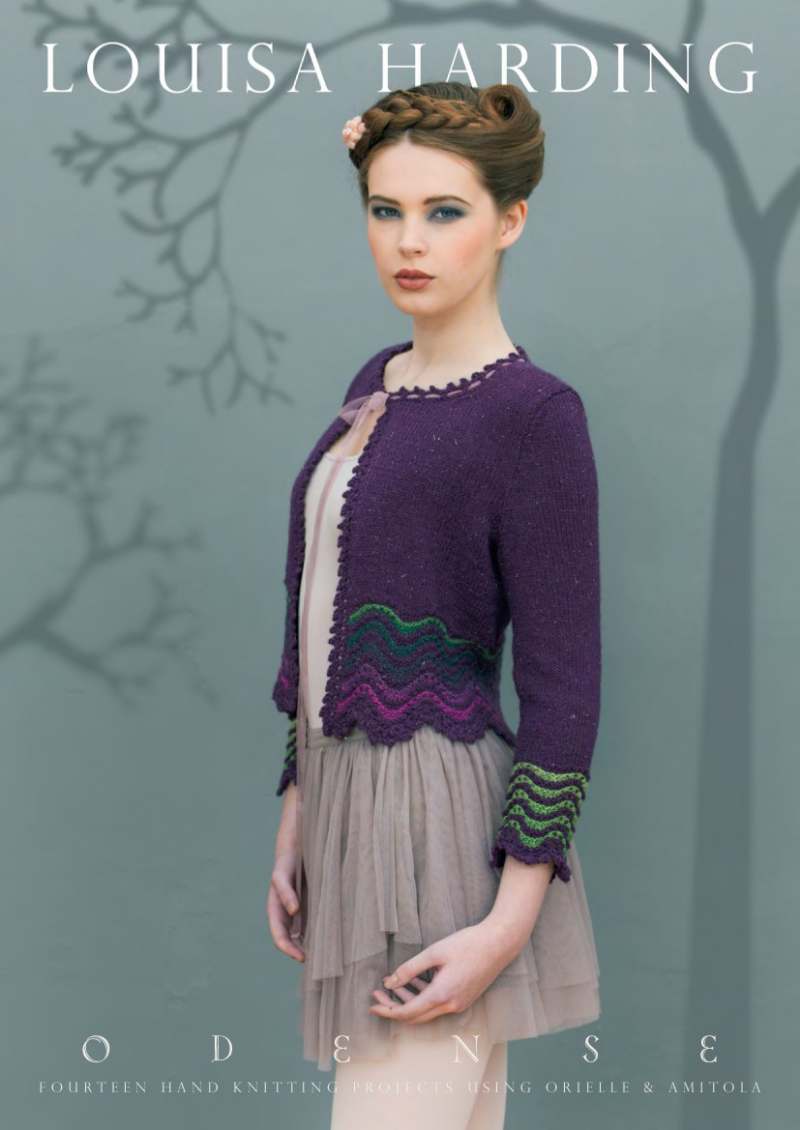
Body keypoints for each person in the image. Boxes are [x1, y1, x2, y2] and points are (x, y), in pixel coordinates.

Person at [266, 81, 603, 1129]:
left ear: (509, 219)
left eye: (443, 211)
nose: (408, 241)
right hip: (348, 810)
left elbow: (563, 684)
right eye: (386, 209)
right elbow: (321, 602)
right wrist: (297, 810)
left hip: (435, 830)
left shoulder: (532, 415)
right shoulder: (377, 378)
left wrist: (507, 921)